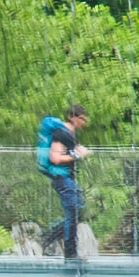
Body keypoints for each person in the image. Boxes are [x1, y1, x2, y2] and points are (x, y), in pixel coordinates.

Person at [36, 106, 90, 260]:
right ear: (73, 117)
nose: (84, 123)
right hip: (62, 179)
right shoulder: (61, 134)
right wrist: (77, 156)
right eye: (82, 119)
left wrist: (79, 151)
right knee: (73, 213)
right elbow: (55, 158)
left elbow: (71, 150)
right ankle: (70, 254)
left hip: (68, 179)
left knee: (78, 210)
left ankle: (49, 237)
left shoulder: (70, 135)